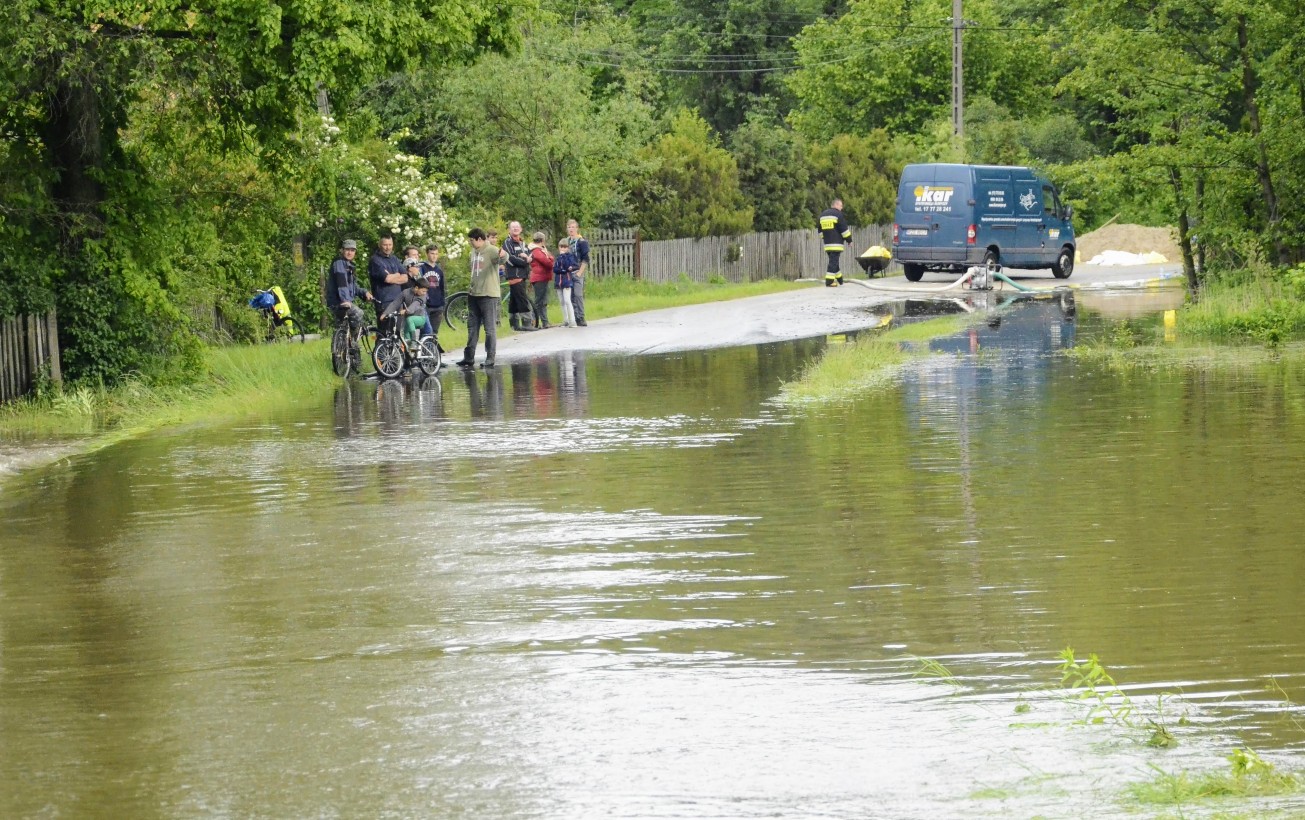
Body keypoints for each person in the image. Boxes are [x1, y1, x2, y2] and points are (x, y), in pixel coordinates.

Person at [456, 227, 503, 369]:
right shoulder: (473, 252)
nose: (470, 243)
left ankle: (490, 357)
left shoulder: (491, 250)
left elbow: (503, 258)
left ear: (479, 239)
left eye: (471, 240)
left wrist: (504, 254)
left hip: (488, 294)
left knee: (489, 329)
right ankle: (469, 356)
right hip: (474, 293)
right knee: (472, 326)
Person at [325, 239, 373, 367]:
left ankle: (344, 355)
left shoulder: (349, 266)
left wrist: (364, 293)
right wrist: (345, 300)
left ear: (355, 252)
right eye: (347, 250)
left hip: (339, 301)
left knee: (340, 327)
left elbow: (353, 287)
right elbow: (342, 284)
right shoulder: (340, 264)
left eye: (352, 250)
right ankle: (353, 346)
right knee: (358, 313)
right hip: (339, 302)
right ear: (342, 250)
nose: (350, 252)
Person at [379, 262, 429, 345]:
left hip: (419, 317)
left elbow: (415, 305)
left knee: (410, 319)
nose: (425, 293)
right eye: (423, 291)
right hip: (408, 319)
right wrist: (386, 313)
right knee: (405, 336)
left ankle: (414, 341)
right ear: (416, 288)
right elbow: (395, 303)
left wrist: (406, 310)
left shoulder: (422, 297)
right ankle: (409, 354)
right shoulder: (406, 292)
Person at [369, 235, 410, 330]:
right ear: (380, 245)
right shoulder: (375, 260)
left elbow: (405, 278)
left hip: (398, 300)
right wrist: (397, 274)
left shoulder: (394, 259)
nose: (388, 247)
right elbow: (387, 279)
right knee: (385, 332)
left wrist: (393, 276)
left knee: (397, 332)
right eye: (385, 245)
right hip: (384, 301)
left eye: (390, 245)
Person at [502, 221, 536, 332]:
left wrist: (527, 258)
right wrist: (526, 260)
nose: (515, 229)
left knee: (514, 300)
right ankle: (527, 323)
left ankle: (514, 325)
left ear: (521, 229)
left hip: (523, 275)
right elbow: (511, 259)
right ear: (509, 230)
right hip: (514, 276)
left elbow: (531, 255)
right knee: (522, 300)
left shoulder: (523, 243)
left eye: (517, 227)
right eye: (513, 227)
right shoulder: (507, 243)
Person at [818, 198, 853, 287]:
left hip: (827, 244)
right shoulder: (838, 214)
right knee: (833, 262)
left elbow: (820, 231)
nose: (841, 208)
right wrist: (849, 240)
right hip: (836, 244)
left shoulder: (822, 215)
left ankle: (840, 280)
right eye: (841, 206)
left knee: (834, 262)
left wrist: (825, 238)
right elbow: (844, 230)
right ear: (836, 205)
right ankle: (829, 281)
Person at [419, 243, 446, 341]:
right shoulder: (422, 268)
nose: (434, 256)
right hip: (426, 304)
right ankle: (423, 353)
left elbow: (442, 287)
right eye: (432, 253)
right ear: (427, 254)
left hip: (438, 305)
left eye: (436, 254)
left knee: (434, 332)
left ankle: (432, 352)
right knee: (425, 331)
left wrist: (442, 303)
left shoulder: (439, 270)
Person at [528, 231, 554, 329]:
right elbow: (548, 263)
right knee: (539, 301)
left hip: (541, 277)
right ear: (542, 240)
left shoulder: (537, 250)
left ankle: (544, 322)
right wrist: (550, 257)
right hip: (539, 277)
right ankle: (535, 322)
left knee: (543, 300)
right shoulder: (537, 251)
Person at [565, 219, 589, 325]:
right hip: (568, 272)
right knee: (571, 297)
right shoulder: (566, 241)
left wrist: (580, 272)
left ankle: (581, 317)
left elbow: (586, 258)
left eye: (573, 227)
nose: (571, 229)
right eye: (569, 227)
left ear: (577, 228)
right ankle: (574, 317)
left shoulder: (582, 241)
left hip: (578, 271)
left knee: (578, 295)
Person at [553, 238, 580, 328]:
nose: (563, 249)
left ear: (568, 248)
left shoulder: (569, 256)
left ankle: (573, 321)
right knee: (562, 302)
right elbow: (555, 269)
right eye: (561, 247)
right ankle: (566, 320)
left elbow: (569, 265)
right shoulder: (558, 257)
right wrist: (563, 270)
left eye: (565, 247)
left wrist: (564, 258)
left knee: (568, 300)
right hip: (558, 281)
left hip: (567, 281)